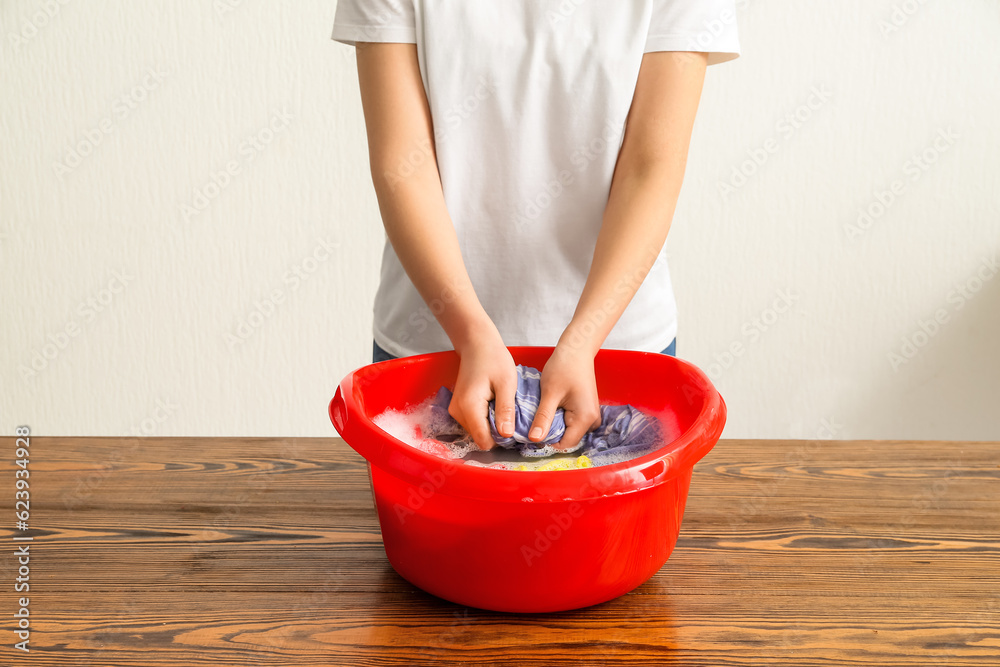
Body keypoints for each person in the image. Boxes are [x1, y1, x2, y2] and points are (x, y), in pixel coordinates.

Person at [332, 1, 740, 455]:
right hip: (434, 351)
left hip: (614, 358)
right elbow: (403, 163)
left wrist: (584, 338)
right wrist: (468, 331)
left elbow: (651, 165)